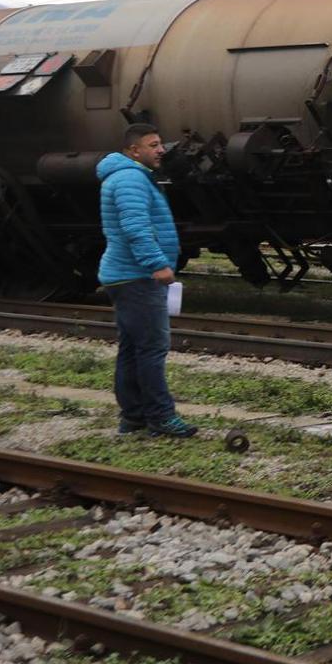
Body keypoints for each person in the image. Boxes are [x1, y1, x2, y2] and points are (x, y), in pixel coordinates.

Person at [96, 123, 196, 438]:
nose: (161, 150)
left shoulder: (130, 176)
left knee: (133, 348)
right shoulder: (130, 179)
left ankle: (134, 417)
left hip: (125, 275)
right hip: (136, 275)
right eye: (153, 145)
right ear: (133, 150)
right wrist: (157, 264)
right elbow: (135, 225)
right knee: (152, 348)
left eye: (160, 144)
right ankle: (161, 418)